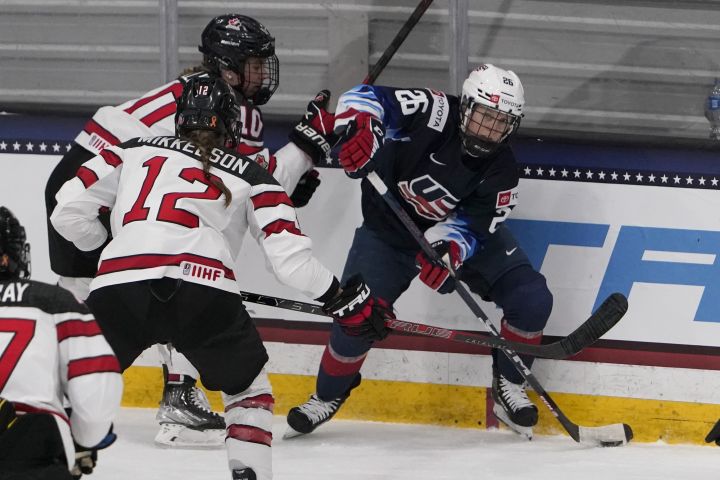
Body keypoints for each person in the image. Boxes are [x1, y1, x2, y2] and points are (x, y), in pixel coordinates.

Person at [50, 76, 392, 480]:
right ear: (232, 126)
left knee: (69, 386)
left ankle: (43, 467)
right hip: (205, 294)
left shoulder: (131, 149)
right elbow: (291, 265)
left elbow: (65, 210)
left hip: (120, 289)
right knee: (248, 393)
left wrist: (110, 241)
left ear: (180, 120)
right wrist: (342, 298)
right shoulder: (253, 173)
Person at [43, 13, 335, 447]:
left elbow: (244, 174)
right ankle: (172, 392)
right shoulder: (213, 106)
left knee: (117, 297)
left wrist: (295, 168)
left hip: (84, 185)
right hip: (90, 189)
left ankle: (41, 399)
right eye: (254, 63)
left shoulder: (206, 98)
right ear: (228, 66)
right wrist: (306, 147)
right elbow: (246, 180)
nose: (262, 73)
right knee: (183, 261)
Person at [286, 64, 554, 440]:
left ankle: (509, 386)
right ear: (466, 107)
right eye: (483, 117)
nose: (489, 131)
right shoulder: (434, 110)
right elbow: (366, 98)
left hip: (446, 236)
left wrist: (448, 250)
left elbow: (476, 225)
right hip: (387, 233)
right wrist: (364, 125)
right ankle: (326, 396)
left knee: (531, 298)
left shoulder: (502, 170)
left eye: (501, 123)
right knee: (355, 319)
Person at [0, 206, 122, 479]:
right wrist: (83, 441)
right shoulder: (56, 302)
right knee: (42, 427)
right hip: (26, 448)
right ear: (7, 258)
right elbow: (96, 388)